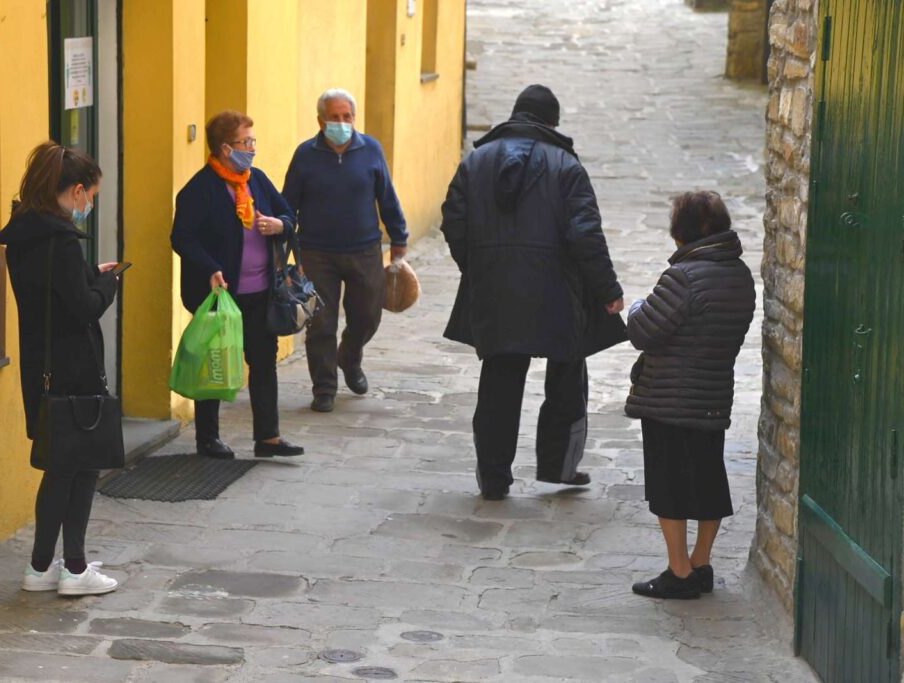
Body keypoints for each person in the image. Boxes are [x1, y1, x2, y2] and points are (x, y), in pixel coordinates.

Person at [440, 84, 624, 501]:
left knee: (500, 380)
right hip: (558, 291)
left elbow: (453, 220)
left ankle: (494, 477)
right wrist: (607, 290)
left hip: (495, 290)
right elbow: (585, 235)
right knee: (567, 375)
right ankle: (560, 467)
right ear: (551, 122)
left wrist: (477, 265)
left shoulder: (476, 162)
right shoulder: (566, 165)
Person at [0, 142, 119, 596]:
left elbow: (50, 293)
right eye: (91, 195)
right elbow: (83, 308)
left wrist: (89, 274)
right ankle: (75, 568)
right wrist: (106, 284)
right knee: (82, 466)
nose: (90, 204)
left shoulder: (24, 233)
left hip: (41, 363)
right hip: (75, 365)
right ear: (79, 190)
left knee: (59, 466)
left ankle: (40, 566)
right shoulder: (62, 241)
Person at [626, 191, 755, 600]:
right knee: (708, 479)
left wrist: (636, 306)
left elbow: (643, 330)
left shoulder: (683, 276)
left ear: (681, 231)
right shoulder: (740, 274)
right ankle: (701, 561)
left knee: (669, 486)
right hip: (713, 393)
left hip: (670, 398)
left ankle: (678, 571)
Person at [171, 111, 304, 460]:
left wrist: (279, 224)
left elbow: (289, 215)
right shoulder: (200, 189)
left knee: (263, 361)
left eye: (253, 141)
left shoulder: (256, 180)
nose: (253, 149)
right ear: (227, 148)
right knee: (214, 364)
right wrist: (211, 267)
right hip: (219, 295)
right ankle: (208, 439)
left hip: (261, 291)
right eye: (248, 142)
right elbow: (182, 237)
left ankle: (268, 438)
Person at [282, 88, 409, 413]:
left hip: (364, 249)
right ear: (321, 121)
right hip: (316, 252)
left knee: (367, 314)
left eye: (347, 116)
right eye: (334, 117)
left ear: (354, 118)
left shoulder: (371, 150)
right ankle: (324, 387)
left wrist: (398, 238)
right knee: (320, 322)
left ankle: (349, 358)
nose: (342, 122)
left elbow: (387, 196)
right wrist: (284, 247)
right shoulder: (305, 154)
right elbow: (288, 203)